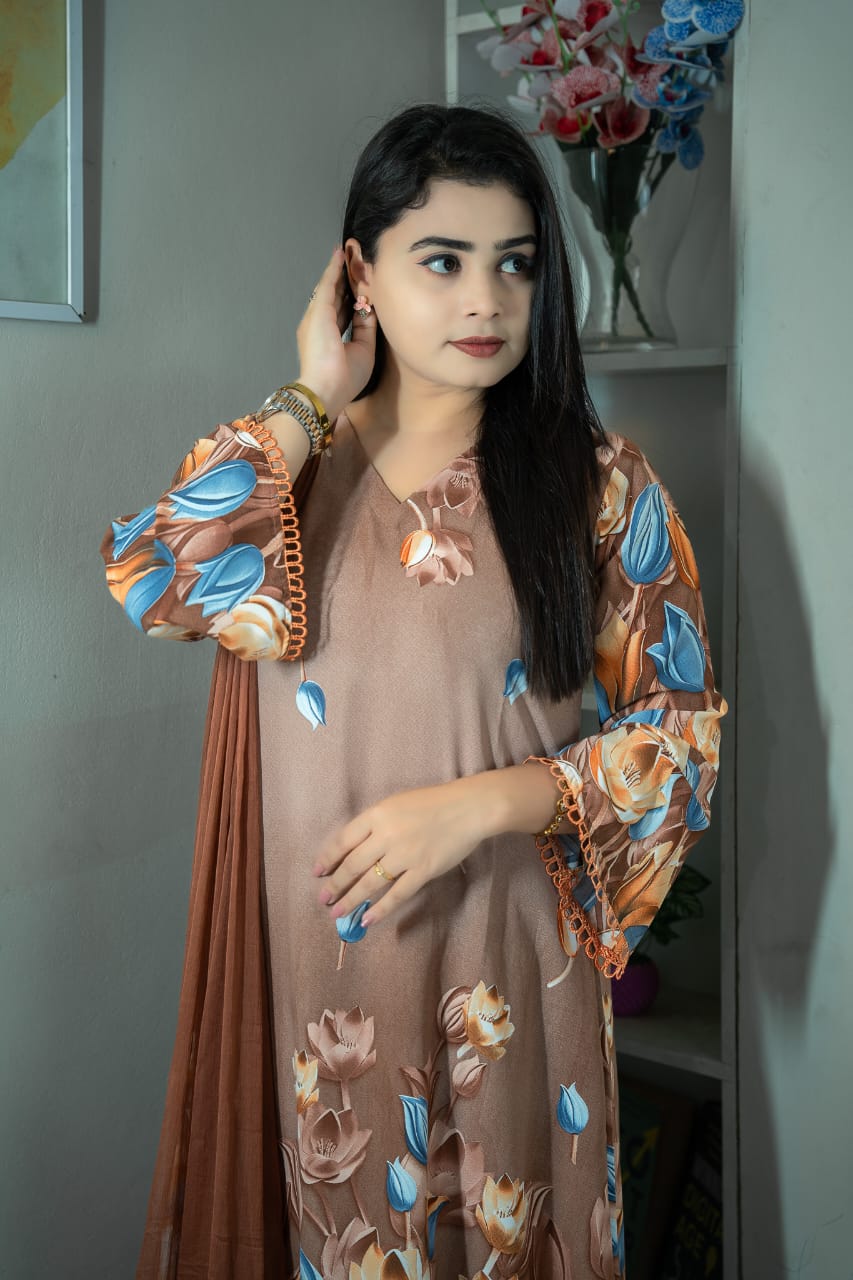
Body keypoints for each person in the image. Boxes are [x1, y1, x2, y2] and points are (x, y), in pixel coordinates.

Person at [101, 102, 726, 1280]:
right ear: (360, 275)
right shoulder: (289, 475)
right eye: (442, 260)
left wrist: (480, 802)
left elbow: (682, 742)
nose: (485, 299)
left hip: (509, 970)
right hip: (320, 990)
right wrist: (309, 392)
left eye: (514, 264)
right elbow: (155, 578)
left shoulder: (598, 486)